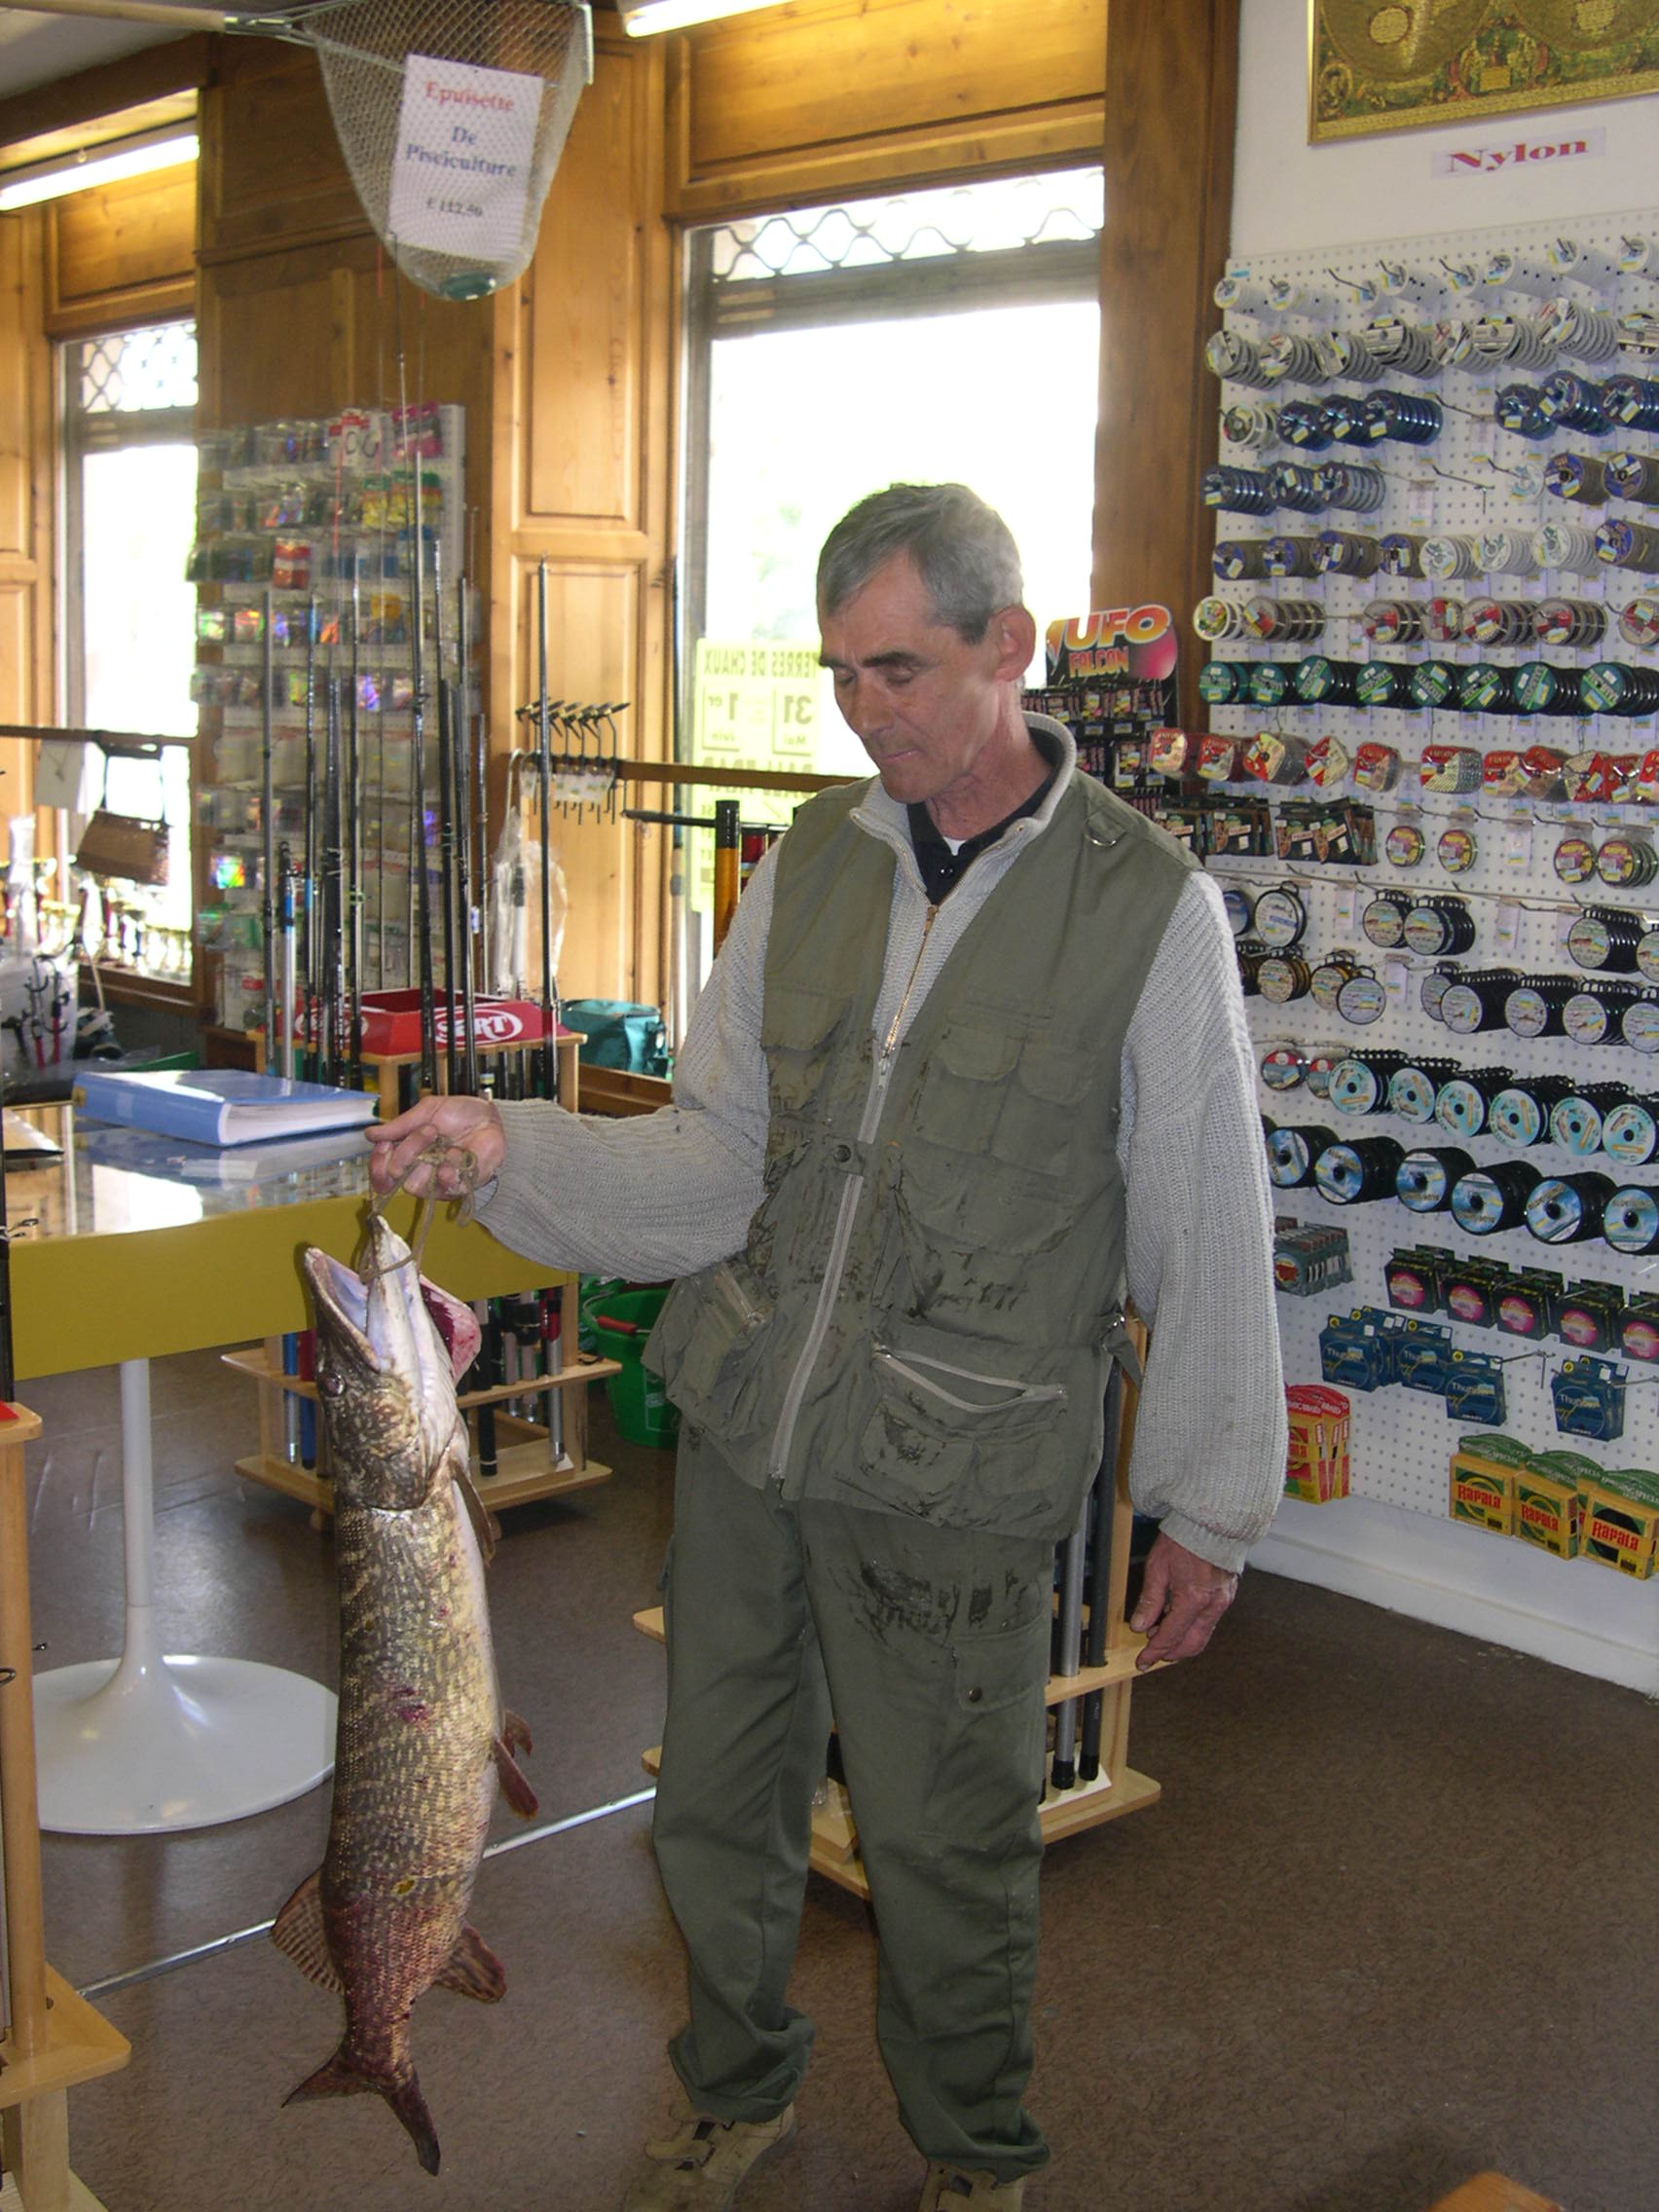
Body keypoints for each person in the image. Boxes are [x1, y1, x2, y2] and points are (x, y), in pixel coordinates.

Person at [368, 482, 1286, 2212]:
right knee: (713, 1810)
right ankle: (731, 2095)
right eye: (840, 676)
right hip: (747, 1426)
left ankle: (977, 2158)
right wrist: (515, 1148)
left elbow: (1206, 1224)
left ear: (1009, 647)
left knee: (946, 1841)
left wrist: (1213, 1507)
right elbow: (715, 1157)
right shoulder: (812, 864)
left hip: (958, 1469)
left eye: (900, 670)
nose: (867, 712)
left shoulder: (1150, 910)